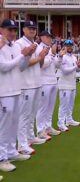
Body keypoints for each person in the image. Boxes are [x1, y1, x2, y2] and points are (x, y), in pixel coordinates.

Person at [0, 19, 34, 172]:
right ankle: (2, 158)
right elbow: (4, 67)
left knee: (13, 125)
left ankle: (11, 152)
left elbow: (21, 67)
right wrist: (23, 55)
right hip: (4, 92)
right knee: (4, 127)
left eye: (14, 30)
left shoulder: (13, 46)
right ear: (2, 30)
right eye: (9, 30)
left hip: (15, 90)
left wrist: (27, 56)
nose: (12, 33)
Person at [14, 21, 49, 155]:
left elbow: (40, 65)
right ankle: (22, 144)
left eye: (34, 28)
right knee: (24, 115)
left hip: (36, 82)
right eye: (30, 28)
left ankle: (30, 136)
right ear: (23, 29)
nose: (33, 30)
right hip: (26, 84)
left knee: (32, 114)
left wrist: (42, 57)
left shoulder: (35, 44)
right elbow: (23, 64)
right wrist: (39, 57)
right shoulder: (19, 44)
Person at [35, 31, 63, 140]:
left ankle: (48, 126)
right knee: (43, 107)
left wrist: (59, 56)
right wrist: (51, 54)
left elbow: (56, 64)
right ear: (41, 37)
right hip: (44, 81)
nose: (49, 39)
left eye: (50, 37)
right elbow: (42, 65)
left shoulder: (50, 49)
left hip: (52, 81)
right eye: (47, 37)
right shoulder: (39, 48)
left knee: (50, 107)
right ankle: (40, 130)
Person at [57, 40, 80, 131]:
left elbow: (77, 70)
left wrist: (79, 66)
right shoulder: (62, 57)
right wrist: (76, 67)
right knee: (64, 105)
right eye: (67, 45)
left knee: (70, 104)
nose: (69, 47)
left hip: (72, 84)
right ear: (64, 46)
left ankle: (69, 119)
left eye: (71, 45)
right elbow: (64, 70)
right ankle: (61, 123)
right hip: (64, 84)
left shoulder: (73, 57)